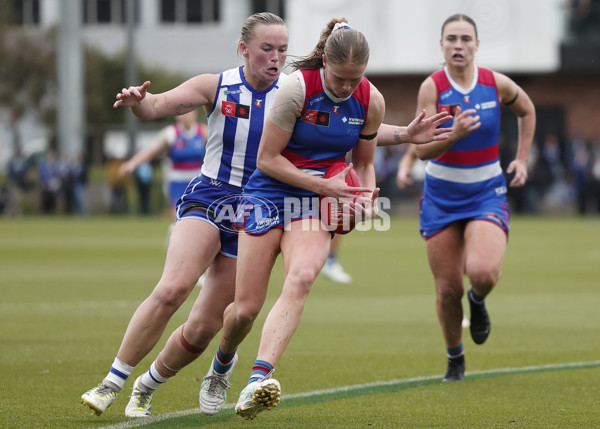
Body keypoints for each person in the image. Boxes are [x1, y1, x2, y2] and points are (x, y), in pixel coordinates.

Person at [199, 18, 452, 421]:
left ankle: (257, 380)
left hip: (316, 203)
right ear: (325, 64)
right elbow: (267, 160)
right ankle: (221, 365)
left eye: (355, 79)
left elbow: (365, 164)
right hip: (269, 194)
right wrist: (324, 187)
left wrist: (365, 197)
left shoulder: (371, 100)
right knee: (244, 310)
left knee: (301, 279)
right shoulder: (296, 88)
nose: (346, 87)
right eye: (339, 78)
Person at [80, 12, 289, 418]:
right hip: (210, 197)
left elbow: (348, 129)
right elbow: (156, 105)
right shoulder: (216, 84)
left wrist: (403, 134)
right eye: (267, 48)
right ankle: (111, 382)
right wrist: (138, 105)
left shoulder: (292, 94)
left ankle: (147, 385)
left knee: (204, 327)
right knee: (174, 286)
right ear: (244, 49)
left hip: (255, 212)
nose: (276, 57)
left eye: (282, 49)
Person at [402, 14, 536, 383]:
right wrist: (455, 133)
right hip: (441, 196)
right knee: (447, 289)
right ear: (441, 45)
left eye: (465, 39)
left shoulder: (495, 83)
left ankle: (477, 302)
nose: (458, 45)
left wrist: (522, 159)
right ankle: (455, 359)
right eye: (451, 39)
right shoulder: (433, 87)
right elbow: (423, 151)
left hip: (485, 193)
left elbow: (527, 110)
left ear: (477, 45)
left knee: (482, 273)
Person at [119, 110, 208, 218]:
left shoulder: (203, 132)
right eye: (180, 114)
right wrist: (131, 164)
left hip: (197, 181)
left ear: (194, 114)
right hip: (177, 181)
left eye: (186, 113)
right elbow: (150, 152)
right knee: (178, 215)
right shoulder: (171, 133)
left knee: (198, 215)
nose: (182, 117)